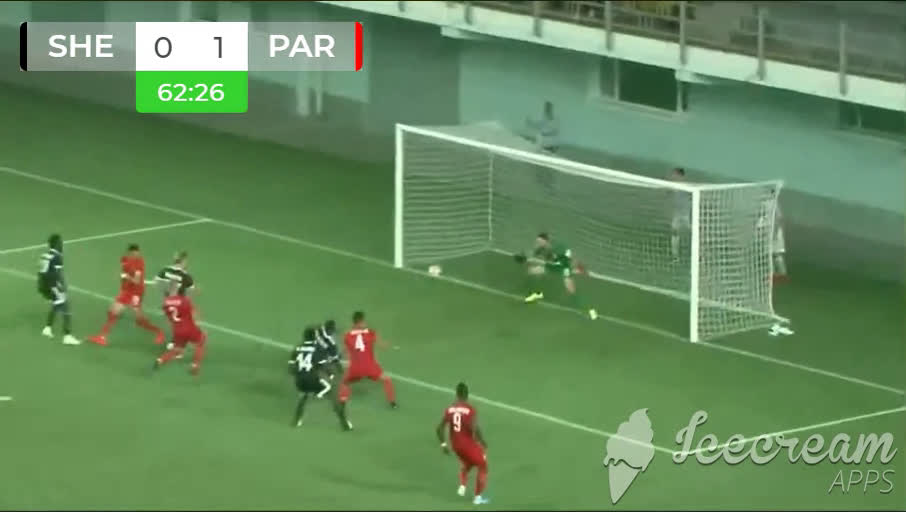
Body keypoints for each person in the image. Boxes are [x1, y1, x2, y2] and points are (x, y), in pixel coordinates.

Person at [88, 243, 165, 346]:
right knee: (113, 311)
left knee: (136, 318)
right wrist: (124, 281)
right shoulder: (125, 259)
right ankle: (102, 337)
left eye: (137, 253)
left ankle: (159, 332)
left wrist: (126, 277)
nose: (136, 255)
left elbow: (136, 281)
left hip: (135, 293)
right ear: (130, 252)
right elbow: (124, 270)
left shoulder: (139, 263)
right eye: (133, 253)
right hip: (127, 291)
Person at [518, 233, 597, 320]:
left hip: (563, 267)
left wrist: (578, 267)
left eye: (540, 241)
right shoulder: (541, 248)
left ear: (546, 241)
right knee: (531, 271)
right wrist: (524, 258)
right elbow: (533, 254)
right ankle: (536, 293)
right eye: (538, 241)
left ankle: (587, 310)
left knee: (571, 289)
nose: (538, 243)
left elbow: (568, 258)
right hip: (552, 266)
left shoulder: (557, 248)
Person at [289, 326, 353, 430]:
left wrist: (300, 375)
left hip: (300, 382)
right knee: (333, 393)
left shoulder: (297, 348)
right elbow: (324, 366)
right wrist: (331, 375)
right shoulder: (317, 348)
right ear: (315, 337)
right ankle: (344, 423)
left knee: (303, 395)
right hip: (313, 380)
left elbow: (291, 368)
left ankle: (296, 420)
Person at [436, 382, 490, 505]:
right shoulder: (470, 409)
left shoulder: (449, 409)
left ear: (456, 394)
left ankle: (462, 485)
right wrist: (482, 441)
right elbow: (474, 428)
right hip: (467, 444)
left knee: (469, 463)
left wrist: (443, 445)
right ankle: (477, 498)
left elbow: (439, 429)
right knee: (483, 465)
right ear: (467, 394)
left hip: (455, 446)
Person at [338, 311, 397, 408]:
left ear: (353, 322)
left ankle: (343, 400)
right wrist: (389, 345)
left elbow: (344, 351)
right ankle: (392, 402)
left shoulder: (347, 335)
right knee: (387, 380)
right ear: (361, 322)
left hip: (355, 369)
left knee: (343, 382)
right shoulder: (370, 333)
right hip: (370, 368)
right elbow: (382, 345)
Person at [37, 233, 80, 345]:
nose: (62, 244)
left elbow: (41, 273)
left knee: (56, 304)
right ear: (56, 244)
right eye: (60, 242)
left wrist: (42, 288)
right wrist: (63, 286)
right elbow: (59, 274)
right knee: (66, 307)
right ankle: (67, 336)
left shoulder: (45, 255)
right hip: (53, 286)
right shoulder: (57, 257)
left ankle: (47, 328)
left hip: (44, 286)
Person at [154, 283, 206, 376]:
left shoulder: (165, 303)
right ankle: (195, 365)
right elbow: (194, 315)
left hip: (177, 330)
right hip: (189, 328)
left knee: (177, 349)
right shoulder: (185, 301)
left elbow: (168, 314)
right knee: (201, 342)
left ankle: (160, 360)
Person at [668, 167, 690, 262]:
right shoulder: (673, 186)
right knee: (674, 233)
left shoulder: (687, 186)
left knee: (694, 234)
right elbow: (669, 193)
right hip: (677, 214)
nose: (673, 176)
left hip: (686, 215)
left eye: (674, 174)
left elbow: (690, 198)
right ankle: (675, 256)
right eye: (673, 174)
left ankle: (701, 255)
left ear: (680, 175)